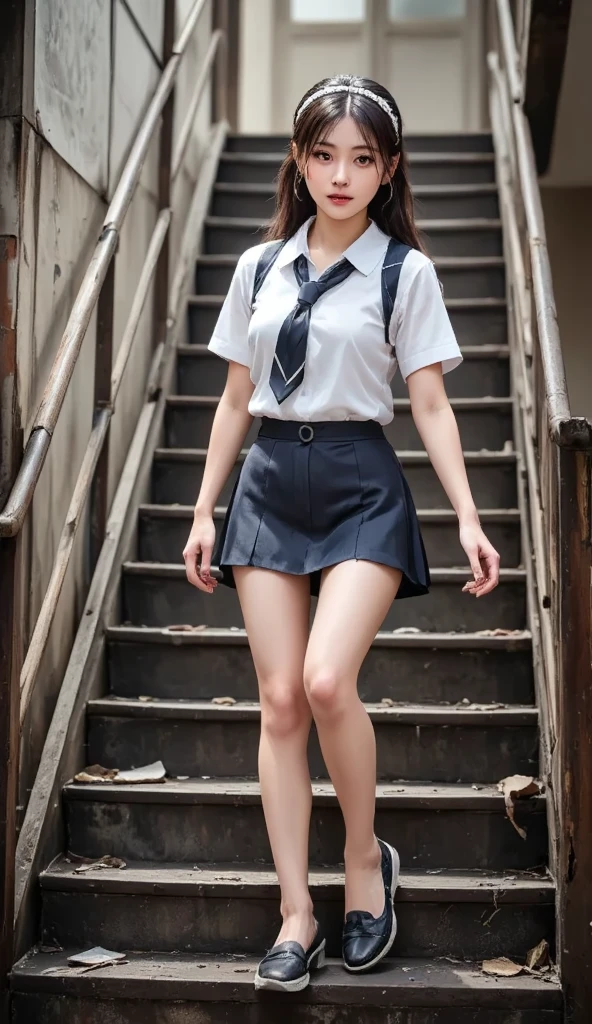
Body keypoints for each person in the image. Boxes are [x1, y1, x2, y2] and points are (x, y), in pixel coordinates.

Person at [183, 73, 500, 993]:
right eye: (324, 155)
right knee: (278, 700)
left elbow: (432, 405)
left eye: (362, 159)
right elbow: (237, 397)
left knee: (326, 682)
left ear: (389, 169)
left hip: (362, 481)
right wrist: (204, 508)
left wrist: (471, 519)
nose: (340, 175)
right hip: (271, 483)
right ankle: (296, 913)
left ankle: (366, 860)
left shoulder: (406, 272)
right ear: (299, 157)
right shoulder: (258, 268)